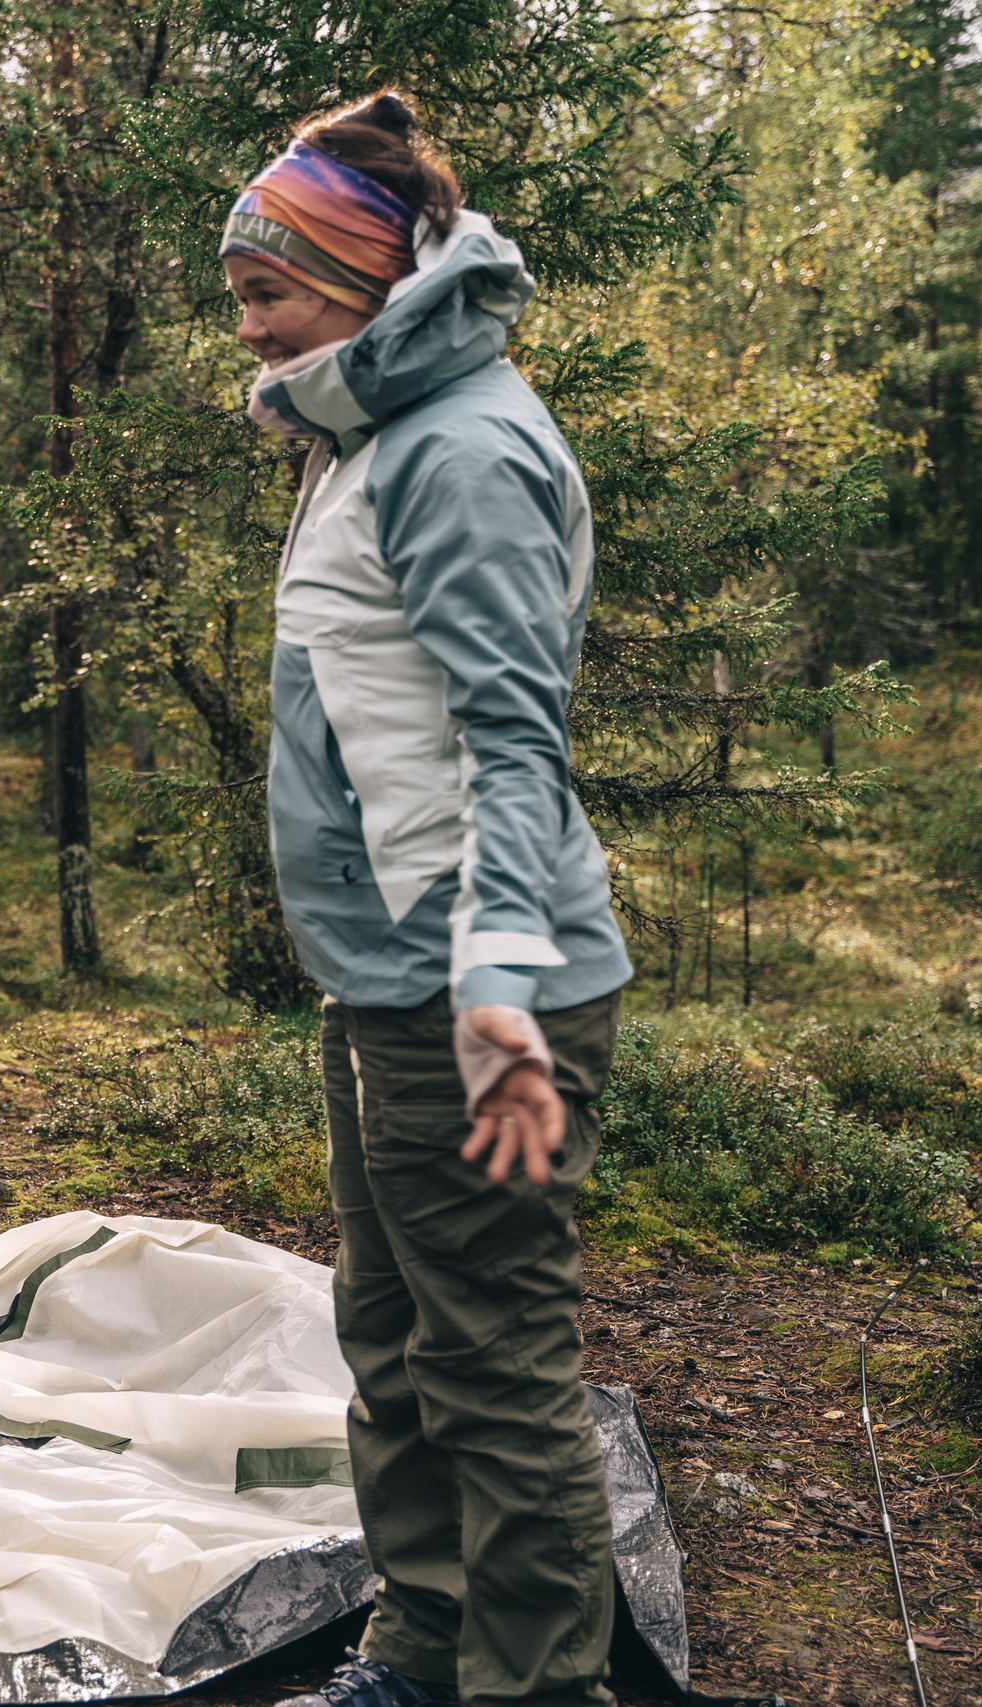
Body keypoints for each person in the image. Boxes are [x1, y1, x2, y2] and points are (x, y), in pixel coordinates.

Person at [231, 94, 636, 1707]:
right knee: (396, 1340)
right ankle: (421, 1649)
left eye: (270, 287)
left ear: (365, 270)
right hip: (387, 978)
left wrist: (493, 991)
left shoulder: (460, 448)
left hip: (473, 986)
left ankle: (538, 1689)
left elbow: (511, 744)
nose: (247, 324)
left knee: (496, 1367)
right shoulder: (370, 434)